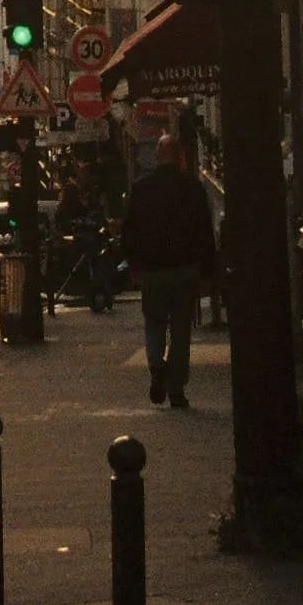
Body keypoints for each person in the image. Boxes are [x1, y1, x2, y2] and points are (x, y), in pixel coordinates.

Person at [122, 131, 215, 408]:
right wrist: (208, 271)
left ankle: (155, 366)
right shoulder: (193, 188)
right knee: (181, 328)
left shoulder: (141, 189)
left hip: (152, 269)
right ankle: (176, 389)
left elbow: (130, 231)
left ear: (158, 156)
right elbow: (204, 231)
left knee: (154, 321)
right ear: (180, 157)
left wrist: (133, 264)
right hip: (185, 268)